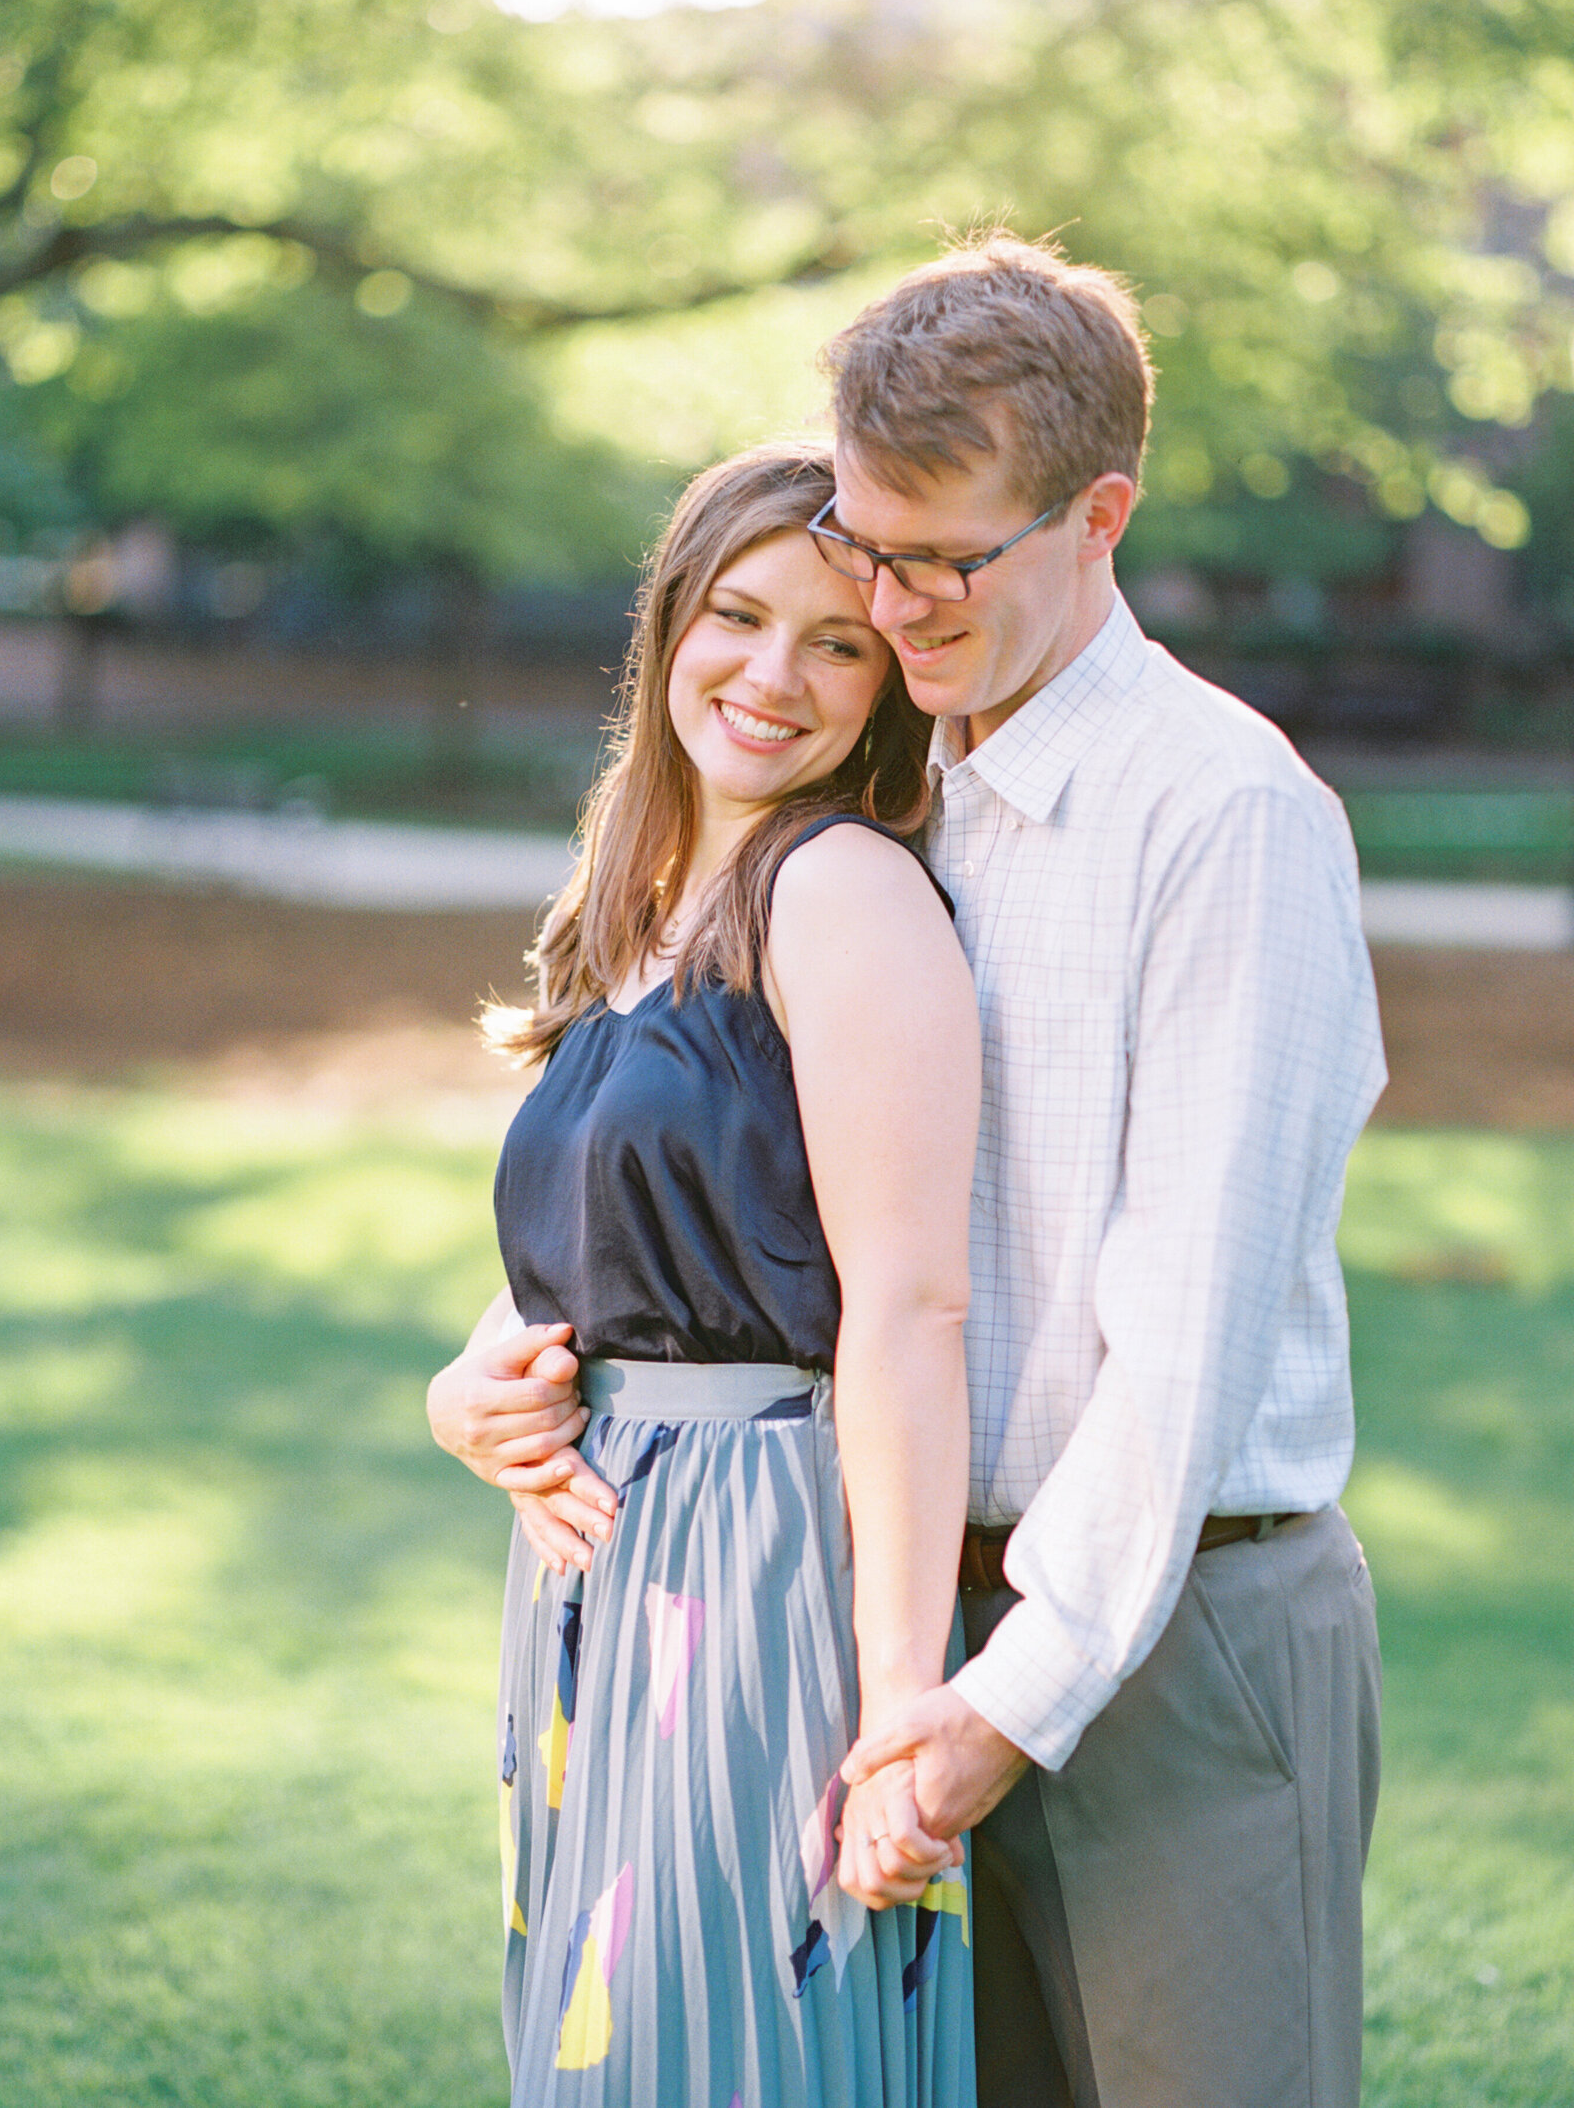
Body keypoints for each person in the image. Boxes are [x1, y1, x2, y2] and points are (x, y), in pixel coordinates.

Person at [813, 233, 1387, 2108]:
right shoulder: (884, 783)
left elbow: (1193, 1329)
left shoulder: (1224, 817)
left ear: (1100, 515)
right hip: (918, 1627)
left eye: (946, 559)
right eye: (860, 542)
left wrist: (1011, 1697)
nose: (892, 606)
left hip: (1176, 1650)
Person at [426, 443, 981, 2108]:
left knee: (719, 2049)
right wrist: (467, 1392)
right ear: (672, 618)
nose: (773, 674)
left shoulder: (844, 892)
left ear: (888, 685)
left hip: (753, 1558)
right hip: (599, 1560)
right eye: (739, 615)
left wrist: (899, 1706)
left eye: (838, 645)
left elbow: (904, 1307)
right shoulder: (645, 903)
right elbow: (590, 1255)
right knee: (611, 2046)